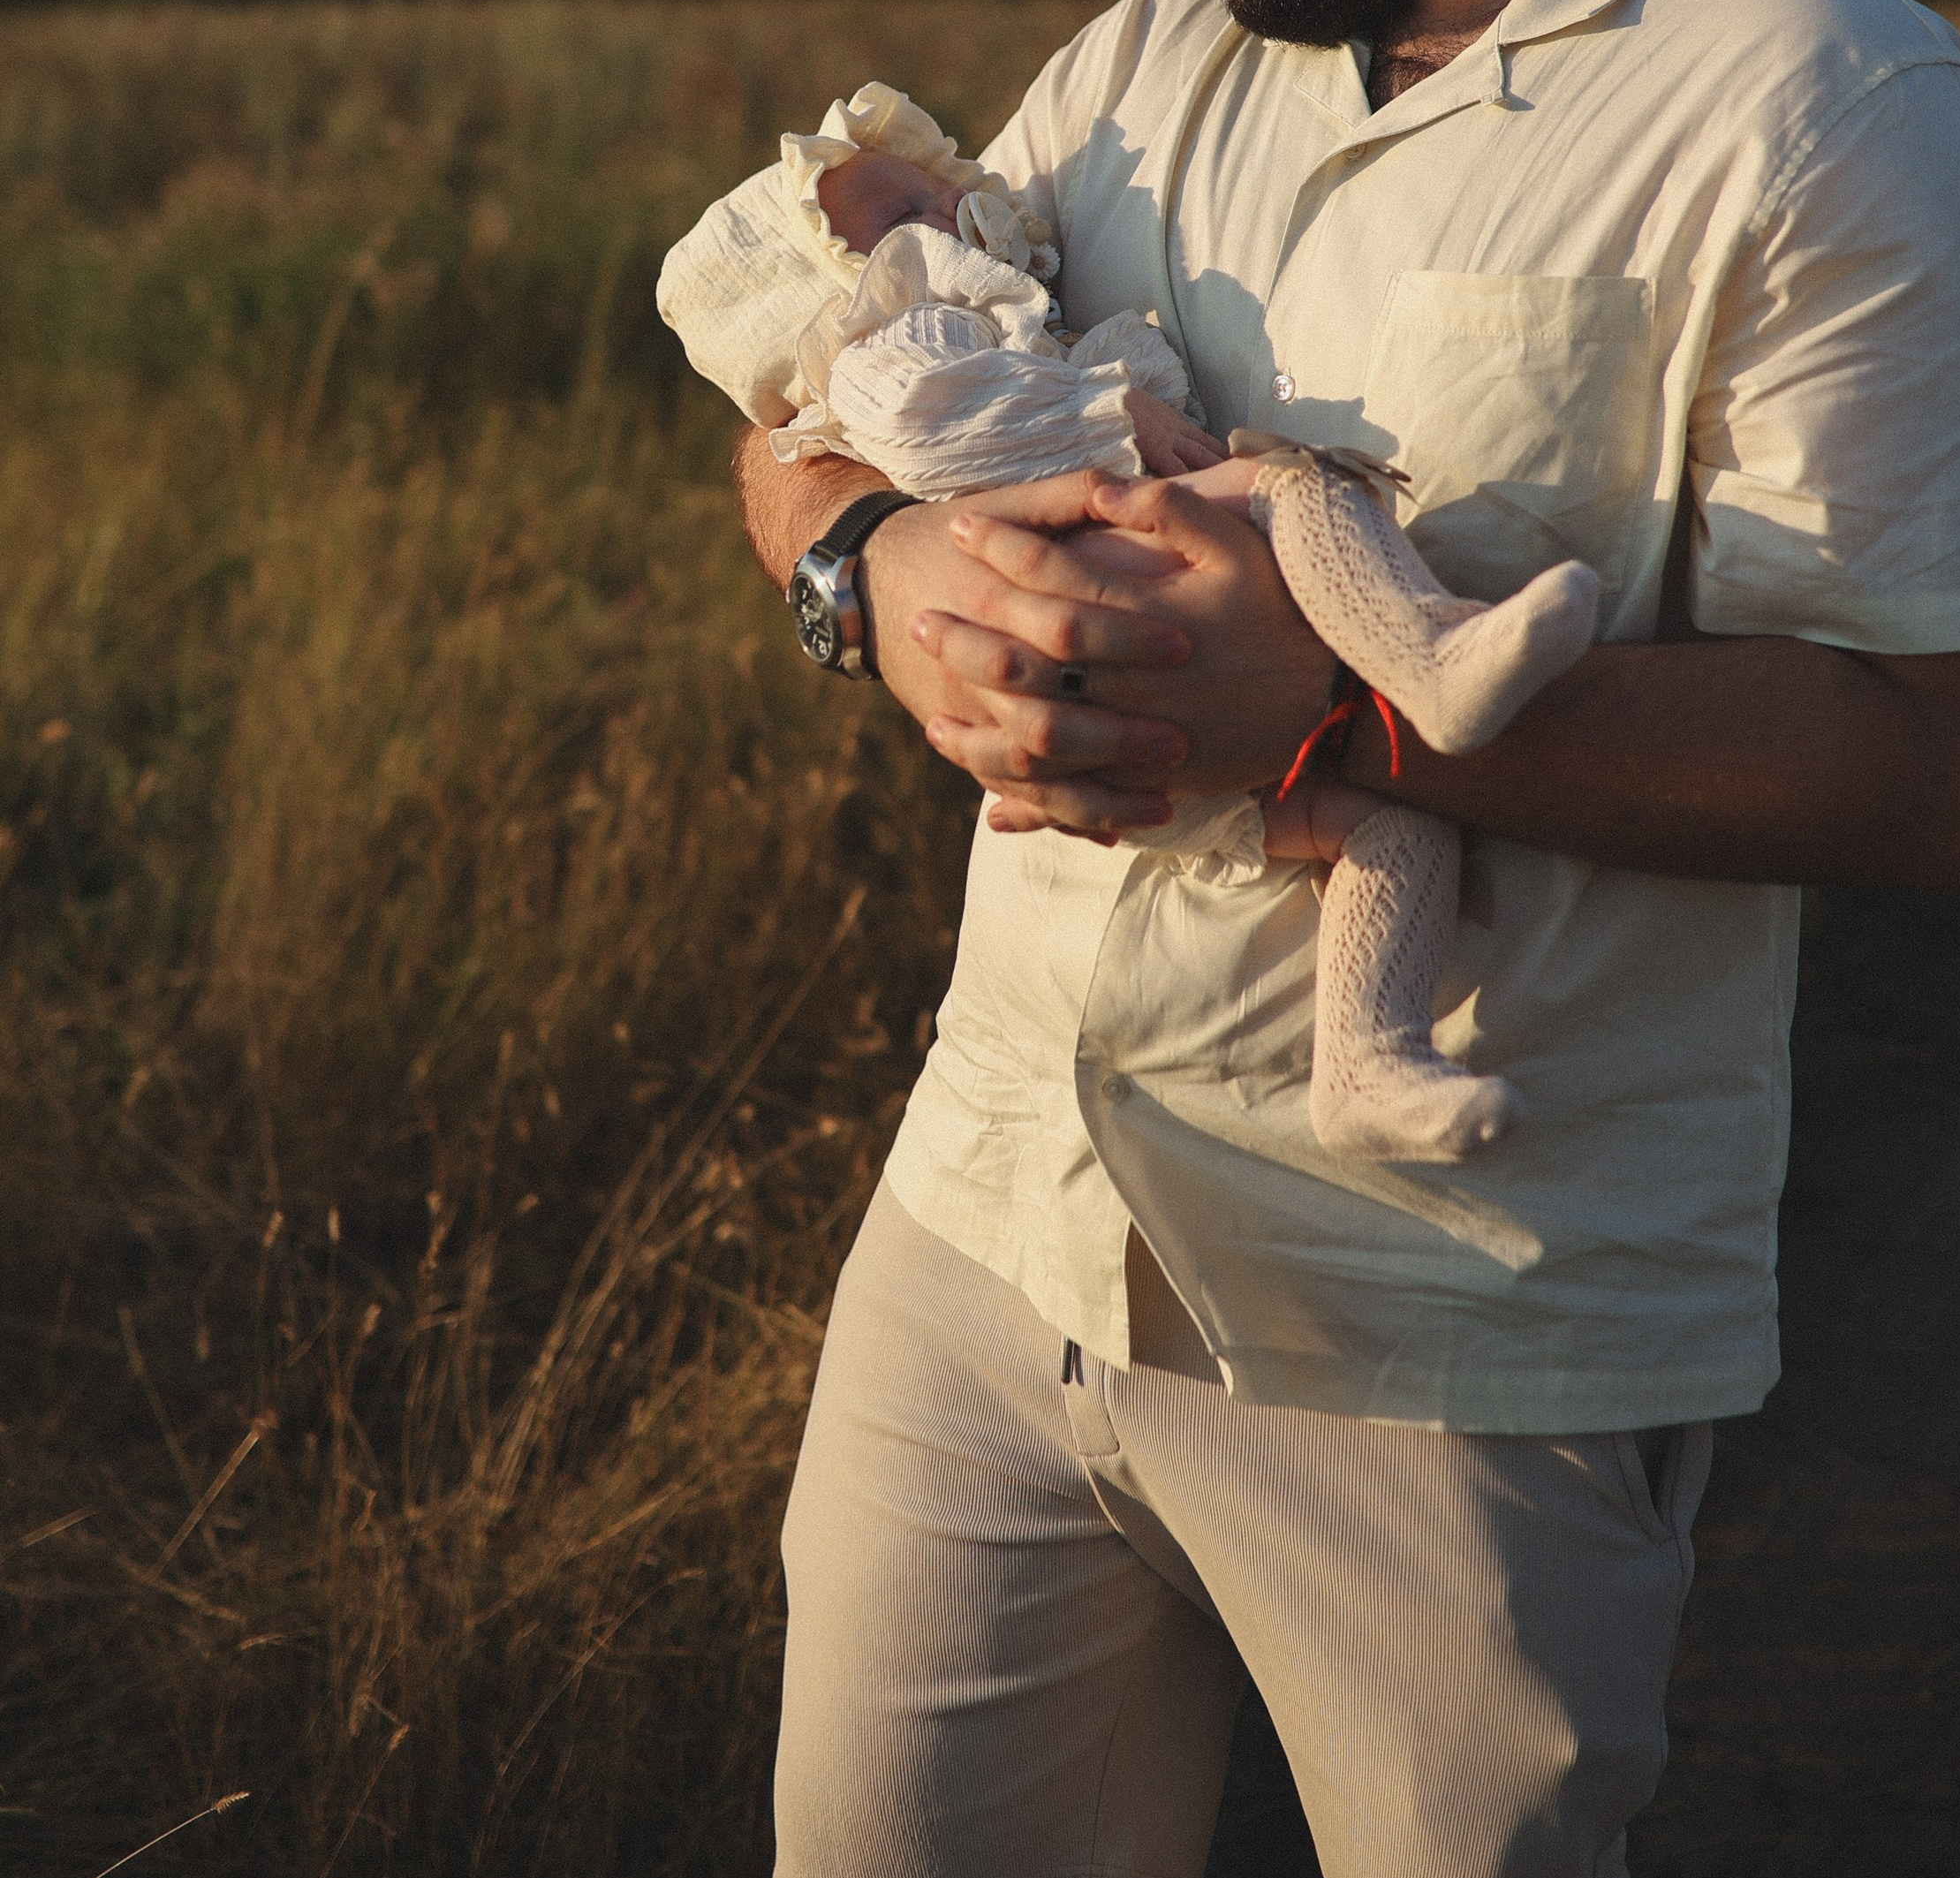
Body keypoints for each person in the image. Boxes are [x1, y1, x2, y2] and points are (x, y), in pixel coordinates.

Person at [727, 0, 1960, 1878]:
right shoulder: (1159, 56)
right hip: (997, 1196)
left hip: (1467, 1290)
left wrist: (1324, 719)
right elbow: (810, 379)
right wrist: (874, 564)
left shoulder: (1819, 103)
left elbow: (1942, 770)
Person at [658, 82, 1599, 1154]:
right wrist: (1107, 413)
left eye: (940, 191)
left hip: (1133, 704)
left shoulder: (989, 314)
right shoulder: (897, 345)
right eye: (902, 216)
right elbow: (928, 433)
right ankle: (1424, 660)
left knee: (1396, 827)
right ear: (826, 276)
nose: (950, 213)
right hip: (1098, 581)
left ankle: (1366, 1062)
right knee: (1300, 488)